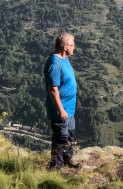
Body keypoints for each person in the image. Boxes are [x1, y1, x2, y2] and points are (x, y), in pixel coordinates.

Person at [44, 32, 78, 169]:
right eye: (72, 45)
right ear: (64, 47)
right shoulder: (54, 63)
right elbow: (52, 89)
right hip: (61, 110)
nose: (74, 47)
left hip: (69, 108)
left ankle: (67, 160)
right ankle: (55, 167)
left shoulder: (64, 59)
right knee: (61, 138)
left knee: (69, 135)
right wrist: (60, 109)